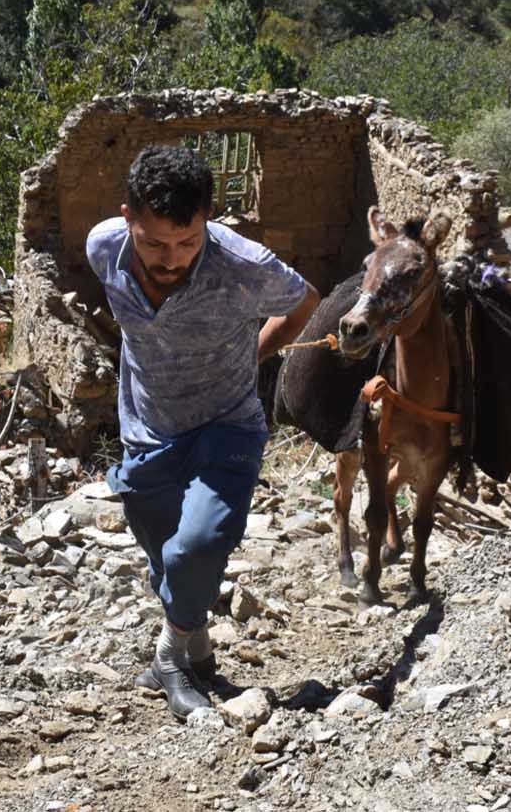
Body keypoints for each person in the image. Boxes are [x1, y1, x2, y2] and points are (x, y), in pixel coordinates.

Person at [85, 144, 320, 720]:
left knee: (198, 544)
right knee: (166, 556)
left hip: (227, 424)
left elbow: (306, 301)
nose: (172, 258)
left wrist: (258, 355)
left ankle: (168, 656)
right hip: (147, 428)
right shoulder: (102, 248)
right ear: (127, 219)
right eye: (154, 242)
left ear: (207, 224)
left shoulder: (244, 267)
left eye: (188, 242)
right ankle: (198, 647)